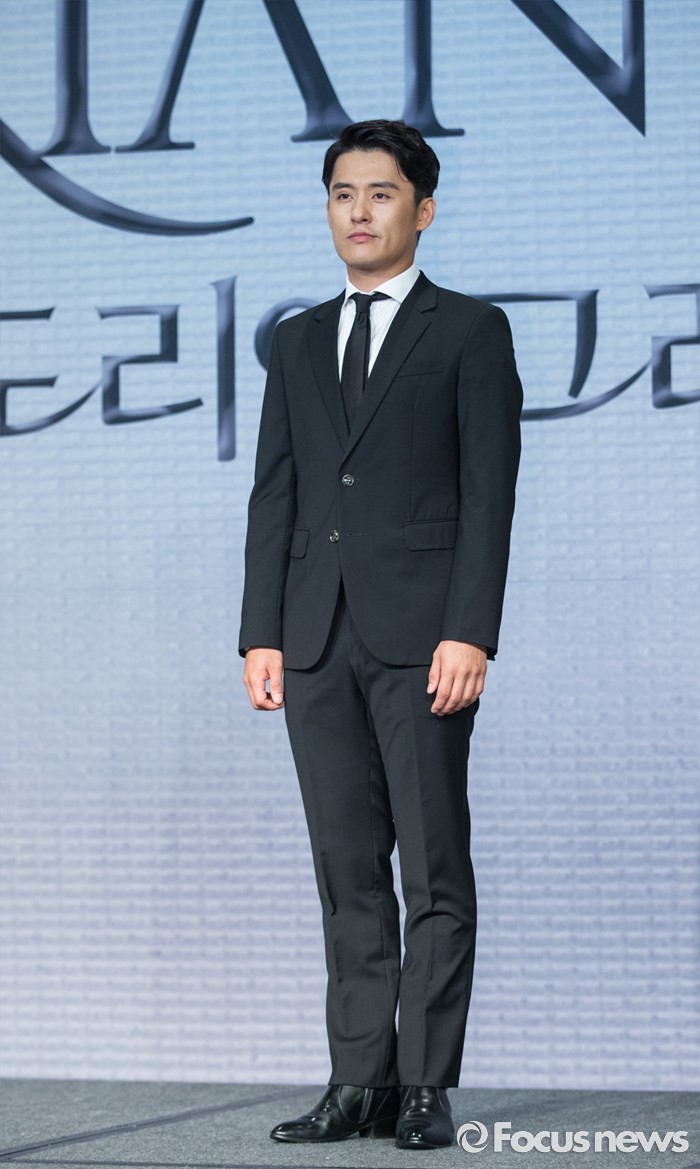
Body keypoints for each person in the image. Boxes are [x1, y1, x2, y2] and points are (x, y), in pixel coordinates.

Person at [239, 119, 522, 1150]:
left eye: (381, 193)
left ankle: (423, 1085)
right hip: (314, 639)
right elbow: (276, 491)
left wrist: (470, 629)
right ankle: (357, 1079)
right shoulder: (296, 338)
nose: (358, 211)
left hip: (422, 639)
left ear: (423, 209)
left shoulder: (470, 330)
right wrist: (260, 632)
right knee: (345, 869)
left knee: (432, 867)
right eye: (342, 193)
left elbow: (488, 492)